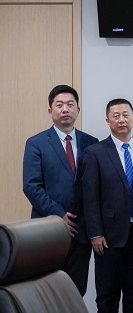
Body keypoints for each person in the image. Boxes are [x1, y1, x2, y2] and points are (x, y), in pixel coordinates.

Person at [82, 98, 133, 313]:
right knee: (107, 296)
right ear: (107, 121)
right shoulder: (95, 152)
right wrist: (95, 233)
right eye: (116, 116)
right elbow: (90, 197)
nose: (121, 120)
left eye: (126, 115)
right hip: (108, 237)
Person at [22, 85, 99, 296]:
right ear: (50, 111)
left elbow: (95, 187)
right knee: (47, 290)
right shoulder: (36, 143)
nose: (65, 109)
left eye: (70, 104)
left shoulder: (91, 143)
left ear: (78, 110)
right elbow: (31, 186)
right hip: (48, 228)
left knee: (76, 291)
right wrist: (58, 214)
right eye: (59, 105)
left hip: (82, 231)